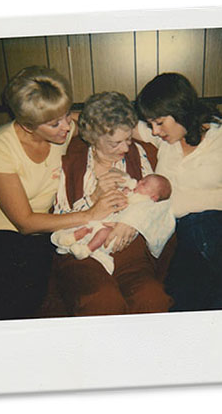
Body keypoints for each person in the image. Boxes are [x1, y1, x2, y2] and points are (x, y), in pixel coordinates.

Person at [0, 66, 127, 321]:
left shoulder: (60, 127)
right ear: (28, 125)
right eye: (55, 123)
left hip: (41, 232)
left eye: (68, 115)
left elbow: (111, 124)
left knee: (30, 297)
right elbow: (24, 222)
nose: (68, 127)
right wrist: (90, 214)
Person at [134, 72, 222, 311]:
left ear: (180, 110)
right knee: (182, 303)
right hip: (189, 235)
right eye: (151, 125)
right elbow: (114, 122)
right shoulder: (165, 139)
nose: (155, 131)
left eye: (159, 122)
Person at [52, 91, 174, 316]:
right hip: (84, 254)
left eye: (128, 139)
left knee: (152, 298)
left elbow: (160, 203)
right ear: (92, 138)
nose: (126, 148)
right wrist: (93, 199)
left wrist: (133, 222)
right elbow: (59, 219)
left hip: (129, 253)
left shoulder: (140, 154)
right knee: (102, 301)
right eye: (115, 143)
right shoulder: (71, 164)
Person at [51, 173, 175, 273]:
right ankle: (72, 238)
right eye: (141, 180)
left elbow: (139, 215)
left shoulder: (147, 204)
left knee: (102, 232)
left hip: (114, 234)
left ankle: (87, 249)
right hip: (106, 220)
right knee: (89, 226)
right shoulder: (133, 193)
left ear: (154, 197)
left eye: (144, 184)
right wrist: (125, 192)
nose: (139, 182)